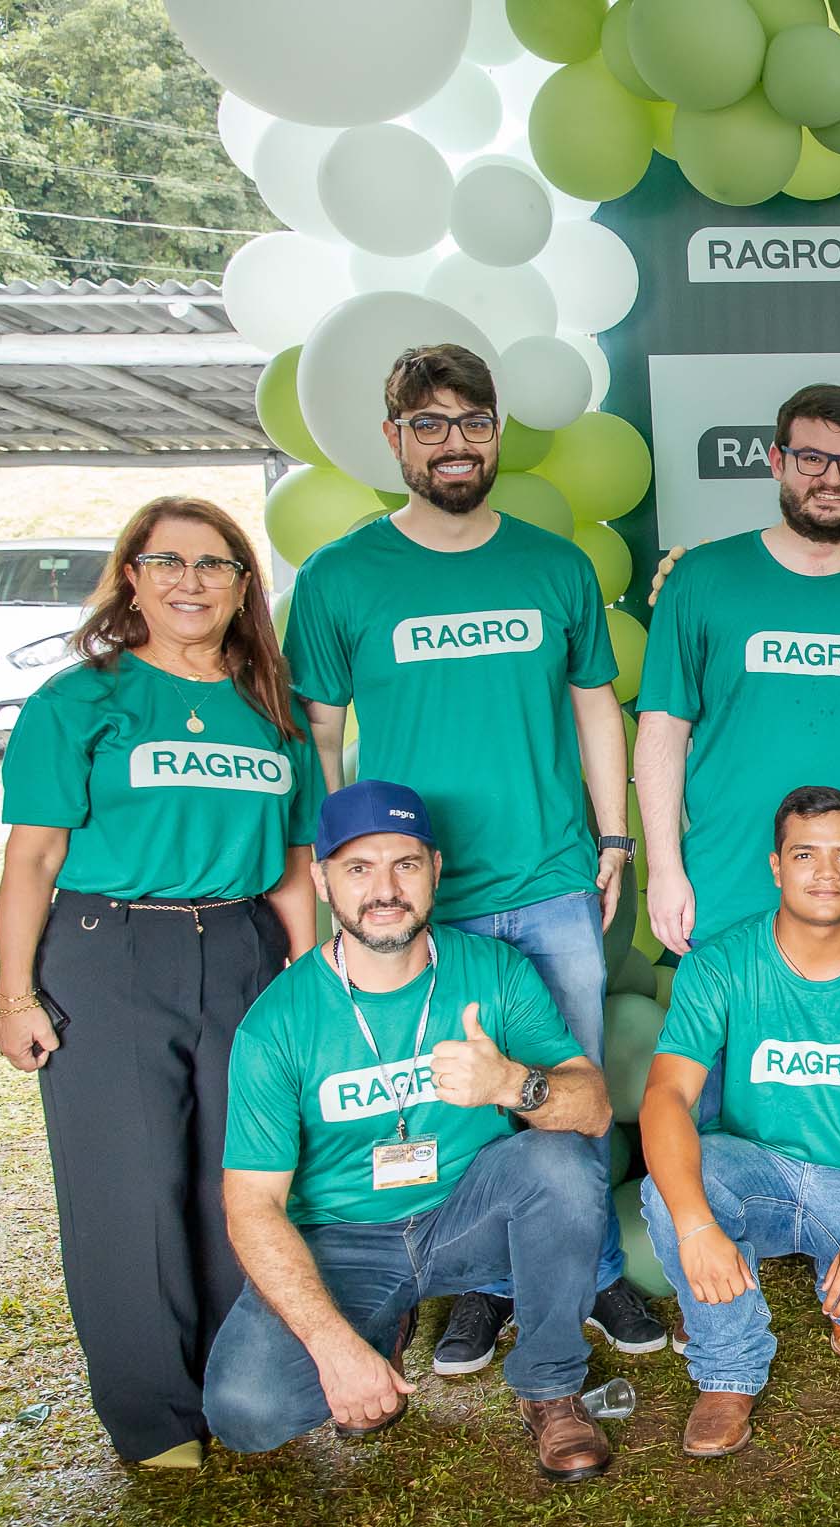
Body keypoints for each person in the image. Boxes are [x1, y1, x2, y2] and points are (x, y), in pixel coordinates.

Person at [282, 342, 660, 1370]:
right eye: (432, 426)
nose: (457, 445)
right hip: (416, 900)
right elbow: (318, 737)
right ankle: (484, 1286)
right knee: (454, 1098)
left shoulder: (553, 565)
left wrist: (613, 832)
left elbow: (595, 704)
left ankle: (589, 1274)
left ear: (498, 431)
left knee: (567, 1090)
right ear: (394, 439)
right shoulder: (340, 576)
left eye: (474, 422)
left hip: (549, 882)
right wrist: (338, 879)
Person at [0, 497, 320, 1469]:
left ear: (243, 589)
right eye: (167, 560)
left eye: (214, 564)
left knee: (246, 1177)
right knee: (128, 1187)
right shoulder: (81, 699)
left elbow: (296, 859)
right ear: (130, 574)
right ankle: (155, 1417)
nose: (190, 580)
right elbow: (32, 857)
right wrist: (16, 995)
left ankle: (237, 1385)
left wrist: (306, 978)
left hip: (245, 944)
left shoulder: (273, 707)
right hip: (110, 951)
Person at [202, 781, 620, 1482]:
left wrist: (513, 1084)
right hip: (343, 1242)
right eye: (359, 867)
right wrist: (334, 1348)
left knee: (561, 1162)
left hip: (465, 1215)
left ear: (436, 869)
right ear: (321, 878)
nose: (385, 888)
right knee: (247, 1409)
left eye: (406, 863)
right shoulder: (277, 1023)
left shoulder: (492, 970)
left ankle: (550, 1386)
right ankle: (375, 1332)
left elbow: (596, 1108)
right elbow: (252, 1205)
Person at [637, 786, 840, 1458]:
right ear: (776, 866)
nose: (826, 872)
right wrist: (698, 1226)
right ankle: (728, 1364)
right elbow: (666, 1095)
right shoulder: (721, 962)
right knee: (670, 1190)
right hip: (755, 1167)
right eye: (806, 854)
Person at [637, 382, 840, 968]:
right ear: (777, 462)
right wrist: (664, 870)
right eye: (812, 458)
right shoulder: (701, 580)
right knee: (728, 1058)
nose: (832, 479)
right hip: (730, 888)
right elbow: (662, 731)